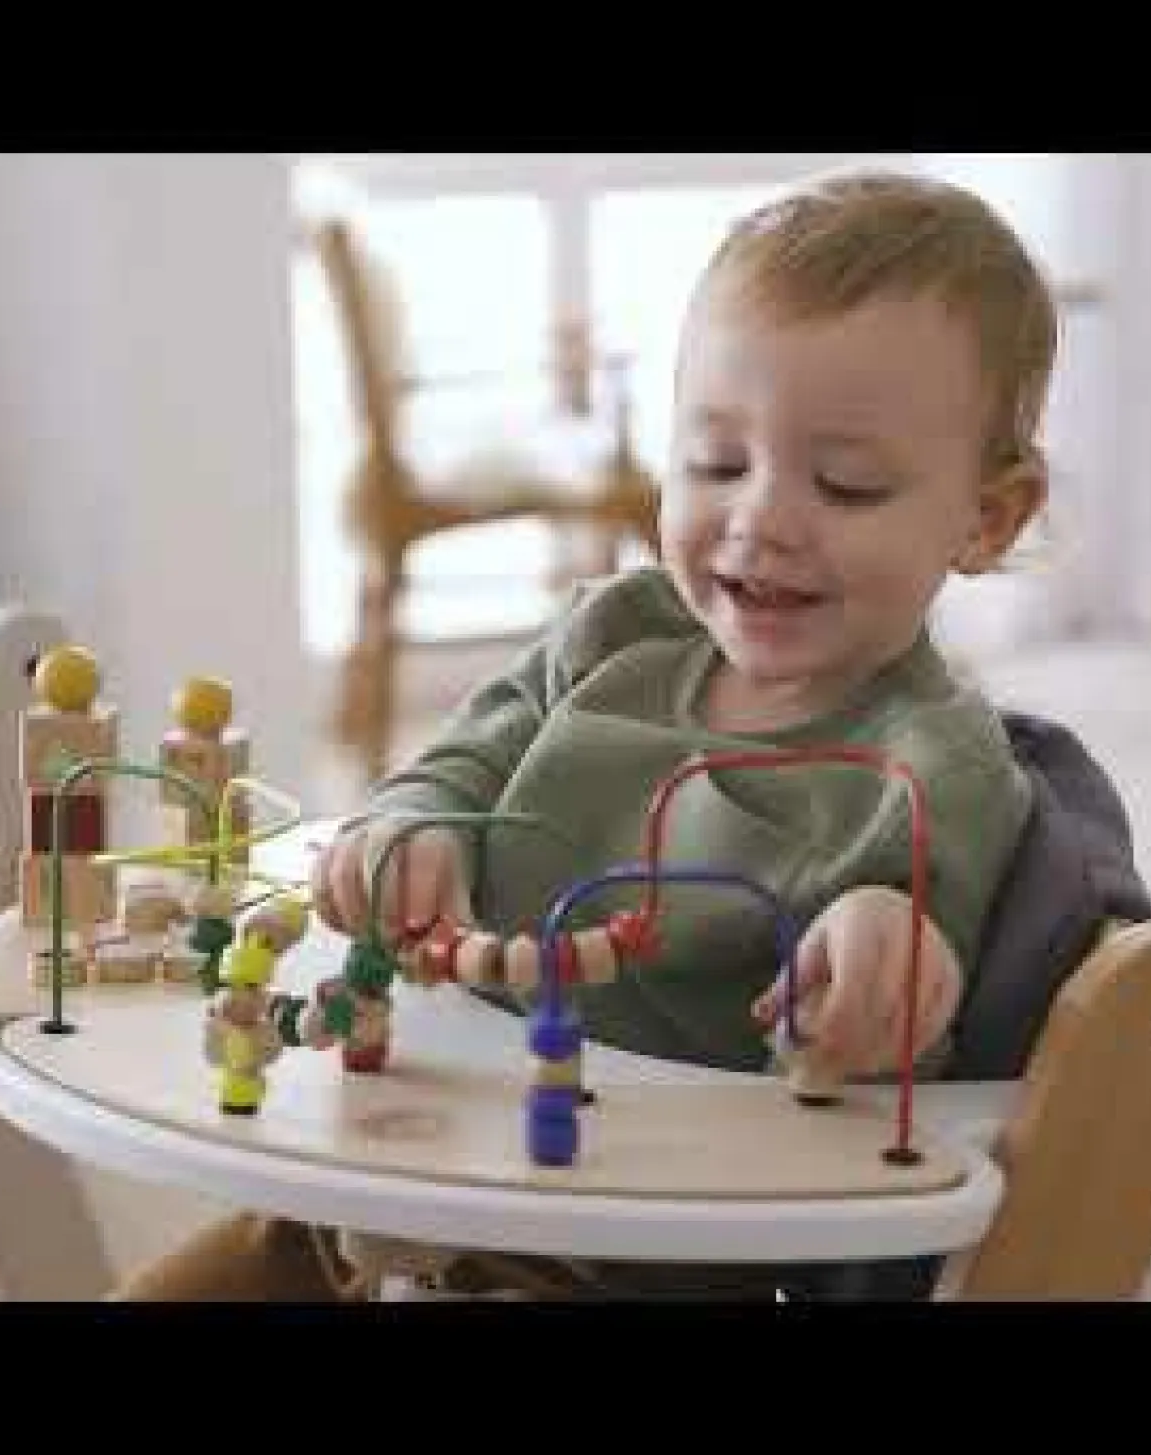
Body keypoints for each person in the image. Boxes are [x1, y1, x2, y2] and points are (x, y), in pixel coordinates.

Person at [115, 165, 1062, 1302]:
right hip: (410, 1161)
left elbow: (913, 1010)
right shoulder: (612, 632)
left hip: (623, 1250)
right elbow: (458, 766)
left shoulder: (934, 769)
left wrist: (882, 961)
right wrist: (413, 829)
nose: (760, 517)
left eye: (846, 485)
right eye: (716, 463)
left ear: (986, 517)